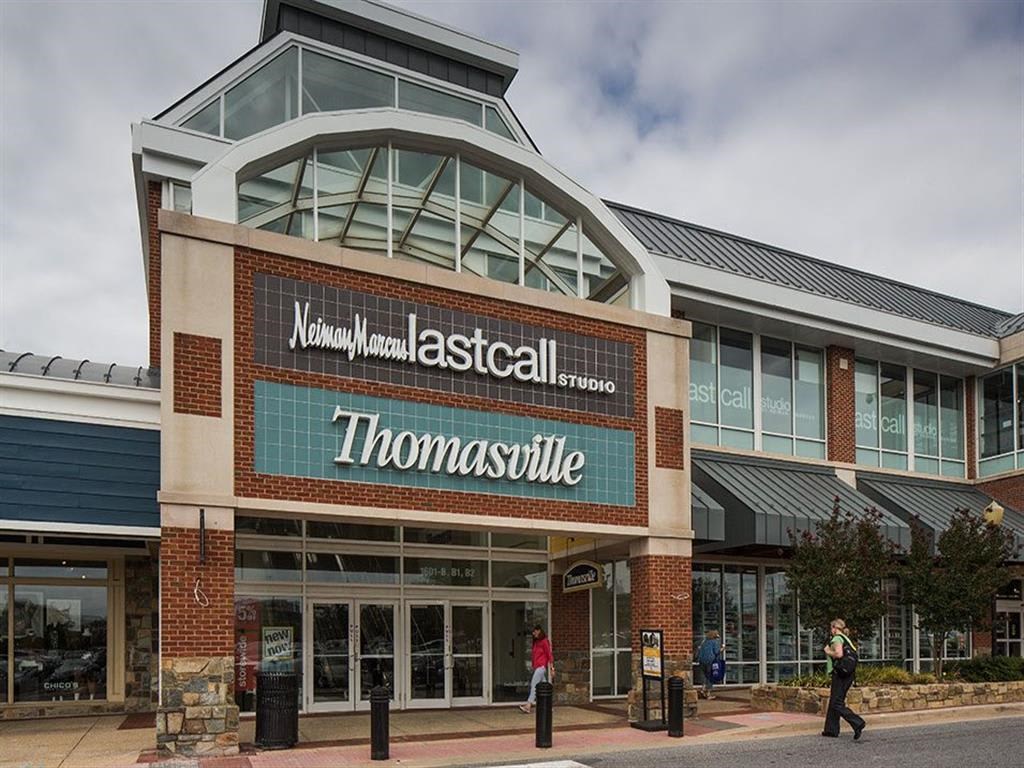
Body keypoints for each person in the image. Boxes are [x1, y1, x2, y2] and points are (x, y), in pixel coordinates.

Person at [822, 618, 866, 740]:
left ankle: (857, 723)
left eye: (831, 628)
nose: (831, 630)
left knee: (836, 703)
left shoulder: (837, 638)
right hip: (848, 674)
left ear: (835, 628)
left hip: (840, 674)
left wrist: (827, 651)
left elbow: (838, 654)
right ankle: (831, 730)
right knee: (835, 701)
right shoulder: (847, 639)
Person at [519, 625, 554, 713]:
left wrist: (552, 667)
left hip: (541, 667)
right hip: (537, 667)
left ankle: (528, 705)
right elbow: (534, 655)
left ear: (539, 631)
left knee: (534, 685)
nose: (533, 634)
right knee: (545, 687)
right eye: (533, 632)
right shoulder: (536, 642)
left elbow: (549, 654)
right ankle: (548, 706)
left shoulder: (544, 641)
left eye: (535, 632)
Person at [695, 630, 724, 699]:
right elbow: (716, 652)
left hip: (701, 661)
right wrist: (722, 649)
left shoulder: (704, 642)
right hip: (710, 661)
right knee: (711, 677)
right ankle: (708, 693)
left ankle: (703, 688)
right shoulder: (714, 642)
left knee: (704, 675)